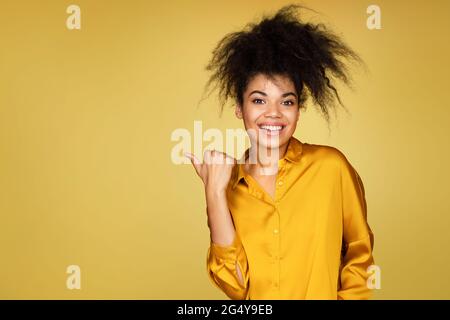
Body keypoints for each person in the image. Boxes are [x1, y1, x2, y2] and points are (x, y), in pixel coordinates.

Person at [185, 4, 375, 300]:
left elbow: (359, 254)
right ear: (240, 107)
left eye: (286, 102)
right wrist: (213, 193)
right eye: (259, 101)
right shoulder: (228, 184)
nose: (273, 114)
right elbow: (236, 287)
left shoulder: (331, 167)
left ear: (299, 109)